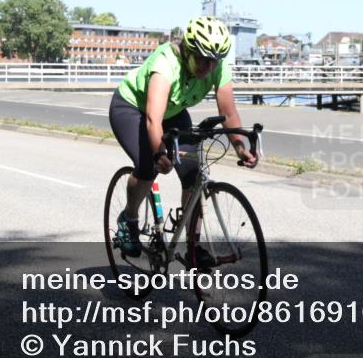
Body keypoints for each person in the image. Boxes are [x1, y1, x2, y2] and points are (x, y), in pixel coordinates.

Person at [108, 16, 257, 260]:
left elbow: (228, 113)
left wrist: (241, 148)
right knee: (147, 166)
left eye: (214, 62)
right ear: (187, 50)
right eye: (202, 60)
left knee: (193, 175)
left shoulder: (217, 67)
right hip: (133, 108)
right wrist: (159, 152)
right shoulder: (166, 63)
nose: (208, 68)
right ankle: (129, 219)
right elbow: (152, 120)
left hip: (174, 113)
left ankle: (193, 248)